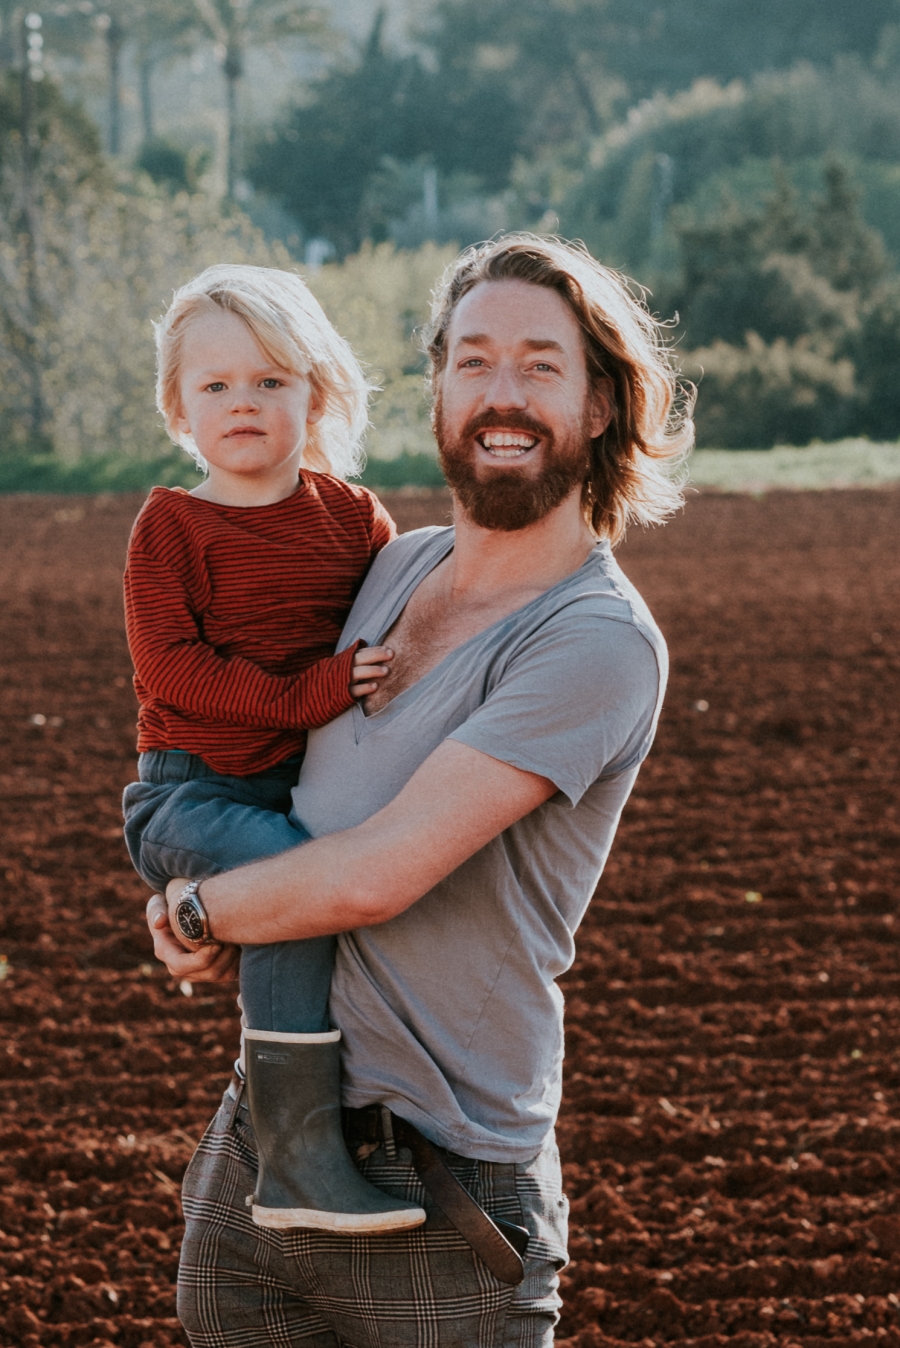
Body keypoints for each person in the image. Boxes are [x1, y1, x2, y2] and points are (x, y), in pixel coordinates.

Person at [149, 234, 694, 1348]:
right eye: (475, 360)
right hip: (258, 1151)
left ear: (600, 407)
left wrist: (202, 907)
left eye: (542, 365)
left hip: (440, 1197)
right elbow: (246, 730)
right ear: (438, 386)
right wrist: (185, 860)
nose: (504, 394)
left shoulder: (592, 640)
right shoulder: (391, 567)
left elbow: (378, 871)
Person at [122, 263, 426, 1233]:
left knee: (352, 886)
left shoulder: (352, 520)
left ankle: (363, 1125)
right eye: (214, 386)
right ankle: (296, 1161)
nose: (241, 403)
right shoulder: (170, 527)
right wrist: (311, 695)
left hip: (303, 793)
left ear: (317, 391)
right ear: (179, 405)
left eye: (268, 381)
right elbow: (176, 671)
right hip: (191, 796)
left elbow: (391, 645)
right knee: (302, 886)